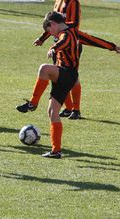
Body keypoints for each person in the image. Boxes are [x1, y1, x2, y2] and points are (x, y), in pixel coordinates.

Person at [19, 0, 120, 119]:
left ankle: (76, 109)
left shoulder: (73, 2)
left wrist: (110, 46)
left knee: (71, 78)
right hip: (58, 45)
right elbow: (53, 23)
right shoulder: (58, 0)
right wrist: (43, 38)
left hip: (70, 44)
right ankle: (69, 108)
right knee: (60, 79)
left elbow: (72, 28)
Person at [29, 12, 81, 158]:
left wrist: (53, 48)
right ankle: (56, 151)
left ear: (52, 24)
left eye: (49, 30)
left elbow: (63, 42)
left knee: (44, 69)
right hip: (65, 75)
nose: (51, 34)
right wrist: (112, 46)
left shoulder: (67, 33)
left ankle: (33, 103)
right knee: (52, 112)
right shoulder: (66, 31)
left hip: (68, 74)